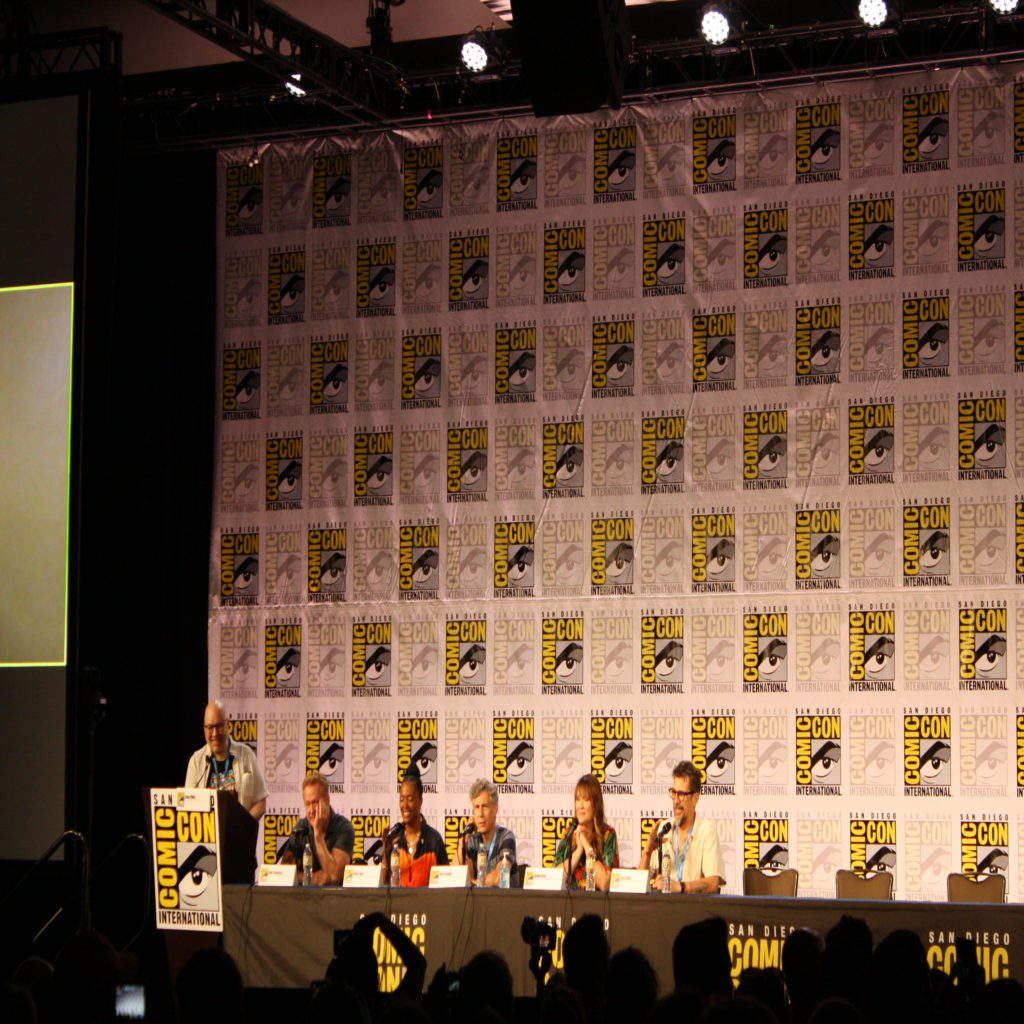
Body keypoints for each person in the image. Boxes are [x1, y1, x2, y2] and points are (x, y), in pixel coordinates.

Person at [640, 760, 725, 893]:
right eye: (673, 793)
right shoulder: (663, 829)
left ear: (695, 798)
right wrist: (648, 852)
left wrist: (681, 887)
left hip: (693, 905)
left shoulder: (706, 831)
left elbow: (713, 883)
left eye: (681, 794)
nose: (676, 800)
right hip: (663, 905)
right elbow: (638, 884)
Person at [184, 700, 267, 820]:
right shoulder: (196, 761)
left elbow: (261, 803)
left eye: (219, 726)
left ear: (227, 724)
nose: (215, 734)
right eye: (210, 728)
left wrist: (244, 824)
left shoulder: (246, 755)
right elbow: (187, 804)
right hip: (207, 831)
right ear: (204, 728)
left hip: (240, 831)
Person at [279, 771, 354, 885]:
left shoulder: (344, 828)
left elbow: (334, 877)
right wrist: (311, 877)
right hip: (304, 895)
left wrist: (318, 836)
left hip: (335, 895)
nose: (311, 810)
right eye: (308, 804)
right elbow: (284, 874)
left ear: (327, 801)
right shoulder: (301, 828)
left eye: (315, 803)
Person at [384, 765, 448, 887]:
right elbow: (384, 883)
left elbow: (445, 884)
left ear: (420, 800)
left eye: (410, 799)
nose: (405, 805)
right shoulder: (395, 837)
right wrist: (386, 851)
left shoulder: (433, 840)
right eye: (401, 799)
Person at [554, 774, 618, 891]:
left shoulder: (608, 834)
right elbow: (554, 879)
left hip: (598, 901)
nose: (580, 806)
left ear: (596, 804)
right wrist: (579, 850)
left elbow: (604, 884)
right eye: (578, 799)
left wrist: (585, 844)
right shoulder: (569, 833)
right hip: (570, 901)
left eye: (586, 799)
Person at [456, 778, 517, 886]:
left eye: (485, 807)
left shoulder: (506, 837)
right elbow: (455, 877)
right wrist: (463, 842)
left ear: (495, 809)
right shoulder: (472, 841)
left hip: (504, 897)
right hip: (477, 897)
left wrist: (474, 883)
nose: (480, 814)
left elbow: (500, 877)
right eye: (476, 807)